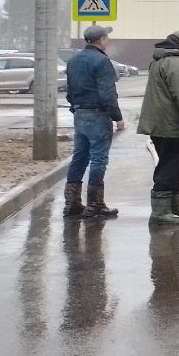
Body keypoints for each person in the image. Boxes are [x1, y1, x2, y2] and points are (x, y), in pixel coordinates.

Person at [137, 31, 179, 225]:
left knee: (177, 165)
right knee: (170, 167)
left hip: (164, 124)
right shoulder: (177, 64)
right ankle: (160, 212)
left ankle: (175, 205)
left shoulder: (160, 62)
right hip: (171, 125)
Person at [62, 25, 126, 219]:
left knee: (79, 157)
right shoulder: (102, 61)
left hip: (80, 113)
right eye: (107, 38)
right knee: (98, 159)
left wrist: (76, 108)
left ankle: (71, 204)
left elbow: (69, 91)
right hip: (98, 115)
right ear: (102, 39)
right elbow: (107, 94)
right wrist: (117, 117)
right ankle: (95, 205)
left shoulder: (73, 61)